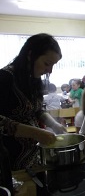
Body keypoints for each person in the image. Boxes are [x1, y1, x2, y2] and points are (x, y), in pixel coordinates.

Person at [0, 33, 66, 171]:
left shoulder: (34, 80)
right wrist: (35, 133)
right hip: (8, 159)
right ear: (30, 55)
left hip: (32, 156)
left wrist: (55, 125)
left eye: (53, 65)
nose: (50, 70)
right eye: (47, 64)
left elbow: (38, 110)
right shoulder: (5, 78)